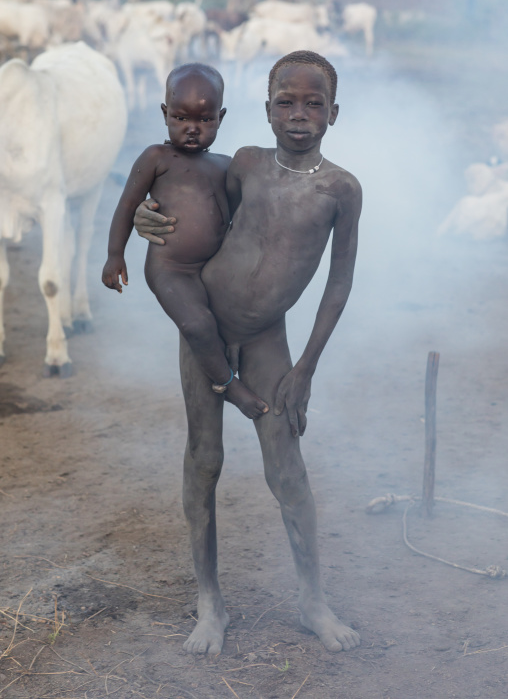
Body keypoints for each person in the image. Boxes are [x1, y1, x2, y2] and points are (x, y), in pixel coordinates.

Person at [134, 50, 362, 655]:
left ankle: (312, 601)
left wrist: (307, 369)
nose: (299, 114)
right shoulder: (244, 164)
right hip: (205, 327)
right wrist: (143, 216)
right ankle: (211, 604)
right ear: (265, 111)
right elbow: (190, 208)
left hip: (268, 339)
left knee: (285, 466)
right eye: (286, 101)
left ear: (333, 113)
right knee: (204, 460)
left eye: (314, 103)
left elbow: (339, 283)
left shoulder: (342, 189)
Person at [102, 63, 269, 419]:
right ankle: (229, 385)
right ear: (165, 114)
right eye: (180, 117)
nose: (192, 128)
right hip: (172, 269)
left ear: (220, 117)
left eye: (205, 120)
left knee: (220, 325)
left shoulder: (226, 165)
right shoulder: (155, 158)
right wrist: (115, 255)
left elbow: (239, 214)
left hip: (216, 271)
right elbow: (126, 206)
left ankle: (229, 373)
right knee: (197, 325)